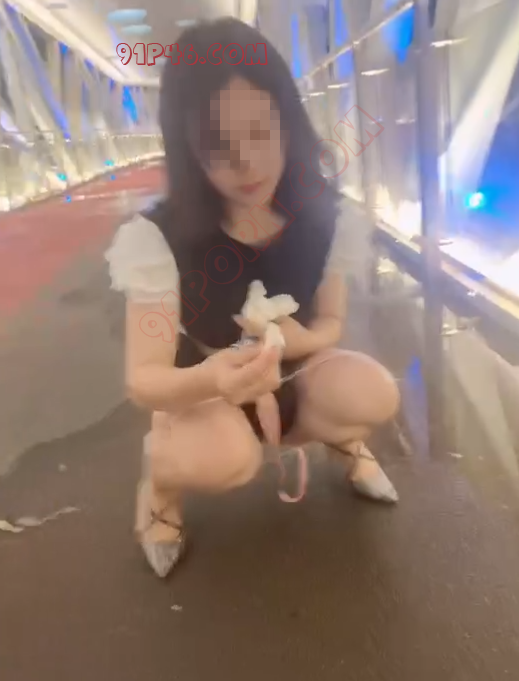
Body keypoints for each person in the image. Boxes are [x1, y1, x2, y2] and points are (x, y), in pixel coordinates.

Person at [105, 17, 400, 578]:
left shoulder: (327, 217)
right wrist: (214, 378)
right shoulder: (157, 240)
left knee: (372, 395)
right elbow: (143, 379)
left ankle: (341, 438)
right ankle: (161, 483)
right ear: (188, 149)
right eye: (218, 145)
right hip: (202, 388)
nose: (247, 162)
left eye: (261, 132)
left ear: (288, 121)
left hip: (295, 369)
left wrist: (300, 339)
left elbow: (331, 323)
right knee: (227, 460)